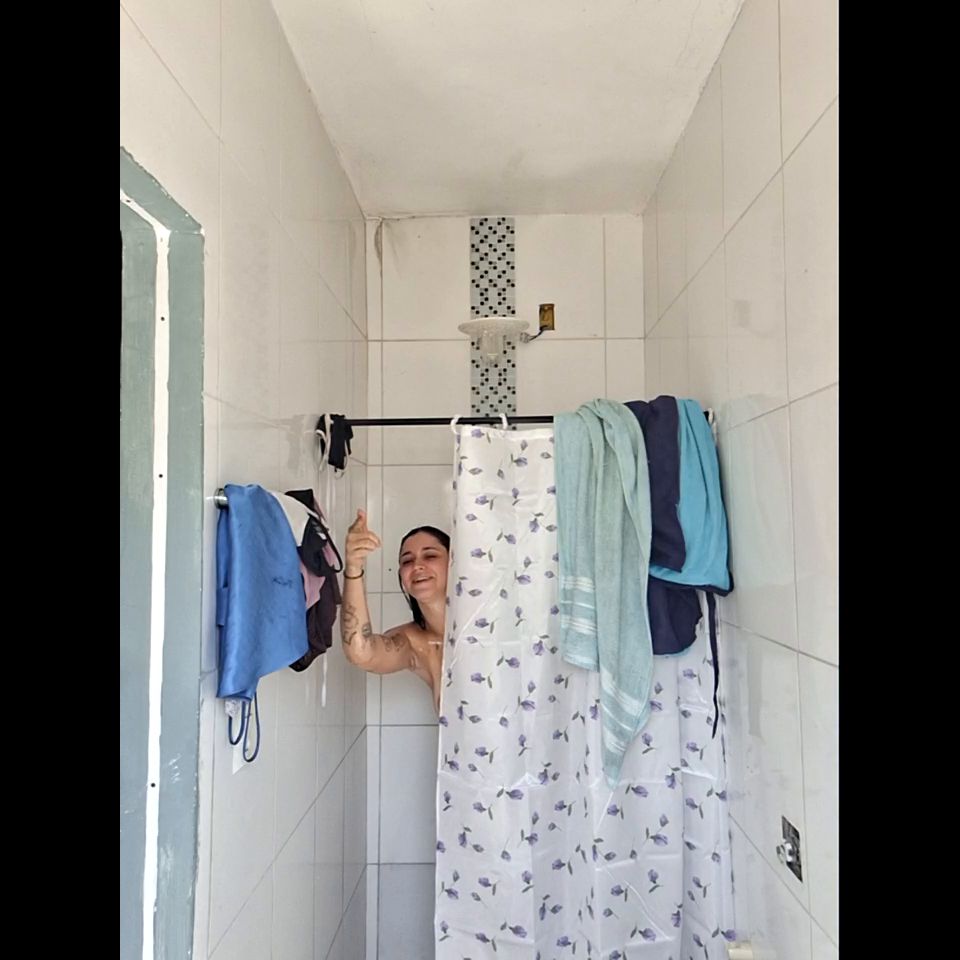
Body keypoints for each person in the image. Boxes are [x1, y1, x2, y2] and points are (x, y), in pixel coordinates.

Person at [340, 509, 449, 712]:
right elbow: (360, 652)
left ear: (454, 564)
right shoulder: (414, 643)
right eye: (407, 561)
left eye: (430, 556)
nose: (417, 566)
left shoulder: (493, 626)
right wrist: (353, 567)